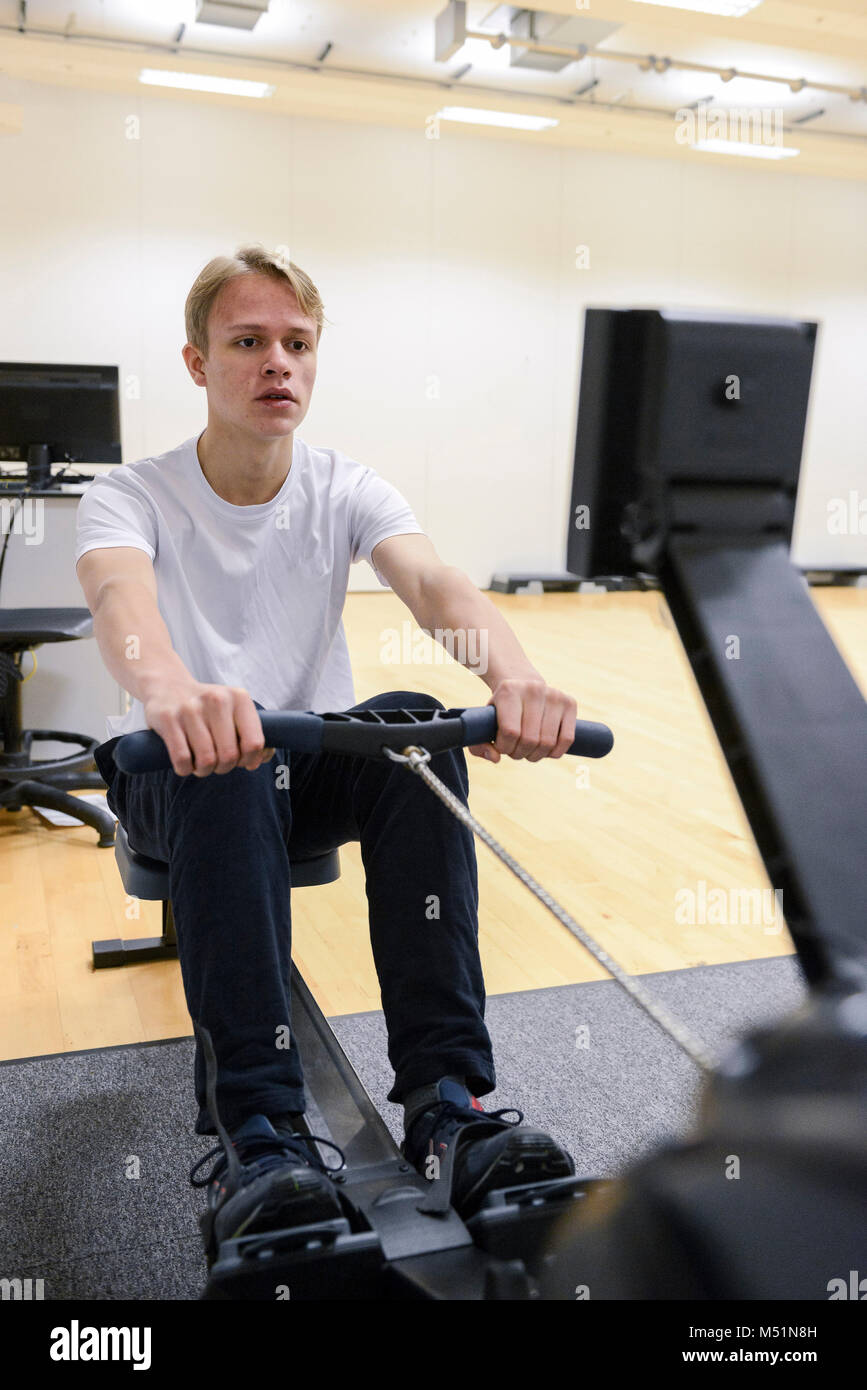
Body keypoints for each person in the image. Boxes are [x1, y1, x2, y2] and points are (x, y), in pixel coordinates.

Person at [75, 243, 579, 1266]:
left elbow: (435, 584)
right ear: (196, 361)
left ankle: (450, 1106)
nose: (278, 365)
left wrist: (512, 674)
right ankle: (259, 1137)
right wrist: (173, 688)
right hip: (175, 765)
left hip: (301, 761)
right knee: (230, 753)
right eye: (249, 342)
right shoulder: (129, 494)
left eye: (297, 345)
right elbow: (122, 606)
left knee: (412, 727)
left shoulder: (345, 486)